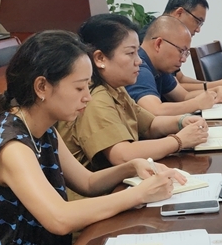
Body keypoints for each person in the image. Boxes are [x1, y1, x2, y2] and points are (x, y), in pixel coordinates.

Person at [0, 31, 181, 245]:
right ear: (42, 87)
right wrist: (137, 195)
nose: (87, 96)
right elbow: (59, 218)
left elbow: (87, 182)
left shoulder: (42, 127)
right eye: (79, 87)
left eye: (88, 86)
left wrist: (130, 167)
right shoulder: (11, 144)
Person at [58, 14, 210, 170]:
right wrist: (179, 140)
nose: (139, 61)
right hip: (103, 185)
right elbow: (122, 155)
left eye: (137, 52)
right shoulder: (95, 98)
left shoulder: (116, 87)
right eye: (130, 53)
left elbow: (149, 125)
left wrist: (181, 121)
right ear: (100, 58)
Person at [127, 16, 222, 116]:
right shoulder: (139, 69)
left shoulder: (159, 67)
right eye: (181, 51)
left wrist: (217, 90)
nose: (183, 59)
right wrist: (197, 103)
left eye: (186, 53)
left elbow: (184, 96)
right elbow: (155, 111)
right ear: (158, 44)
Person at [155, 0, 222, 91]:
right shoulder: (155, 39)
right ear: (179, 13)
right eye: (197, 21)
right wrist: (220, 85)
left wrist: (217, 85)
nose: (198, 30)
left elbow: (180, 79)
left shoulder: (170, 38)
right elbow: (175, 89)